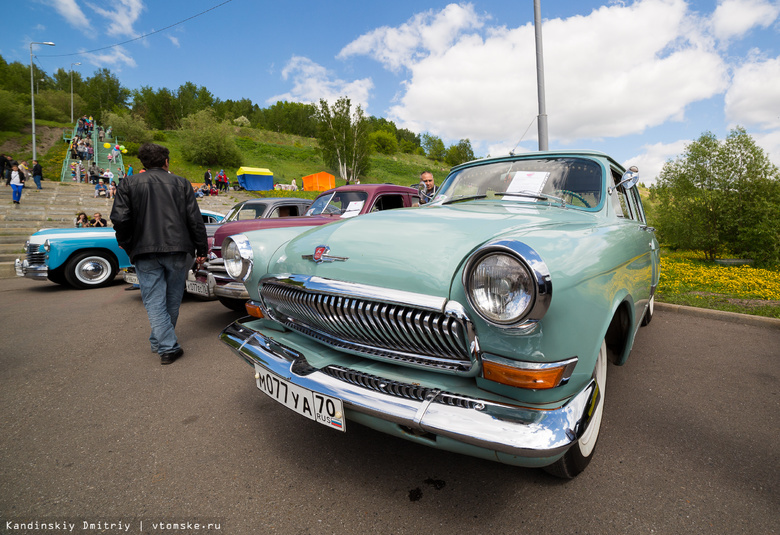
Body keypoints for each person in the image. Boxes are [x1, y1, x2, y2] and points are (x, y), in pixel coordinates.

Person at [110, 143, 207, 365]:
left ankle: (160, 342)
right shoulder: (181, 183)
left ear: (143, 163)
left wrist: (127, 243)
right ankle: (167, 347)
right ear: (166, 162)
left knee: (153, 300)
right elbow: (195, 220)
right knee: (173, 298)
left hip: (143, 250)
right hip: (177, 248)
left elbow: (120, 218)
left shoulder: (128, 183)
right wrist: (202, 249)